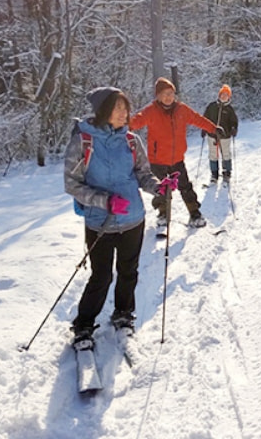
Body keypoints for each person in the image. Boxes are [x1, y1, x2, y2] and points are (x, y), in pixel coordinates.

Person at [64, 87, 172, 349]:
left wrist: (159, 186)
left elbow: (143, 174)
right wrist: (105, 201)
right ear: (103, 111)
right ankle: (84, 326)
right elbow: (72, 184)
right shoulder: (83, 142)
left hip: (133, 218)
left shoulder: (132, 141)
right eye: (118, 108)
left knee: (128, 271)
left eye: (126, 107)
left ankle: (123, 314)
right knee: (101, 276)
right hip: (99, 222)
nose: (125, 113)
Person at [129, 77, 223, 228]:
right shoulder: (151, 111)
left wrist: (213, 128)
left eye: (171, 93)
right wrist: (120, 126)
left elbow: (197, 119)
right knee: (161, 189)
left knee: (185, 187)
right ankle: (163, 214)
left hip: (177, 159)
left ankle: (194, 214)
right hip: (157, 160)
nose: (168, 97)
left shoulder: (182, 109)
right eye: (165, 94)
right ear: (158, 96)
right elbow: (136, 121)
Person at [202, 84, 239, 185]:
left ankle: (227, 171)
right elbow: (205, 118)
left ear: (229, 97)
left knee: (226, 153)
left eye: (226, 95)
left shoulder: (230, 109)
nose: (224, 96)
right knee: (213, 154)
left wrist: (234, 128)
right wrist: (204, 129)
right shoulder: (212, 106)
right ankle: (214, 174)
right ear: (219, 95)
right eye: (222, 94)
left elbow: (234, 121)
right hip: (212, 134)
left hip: (225, 135)